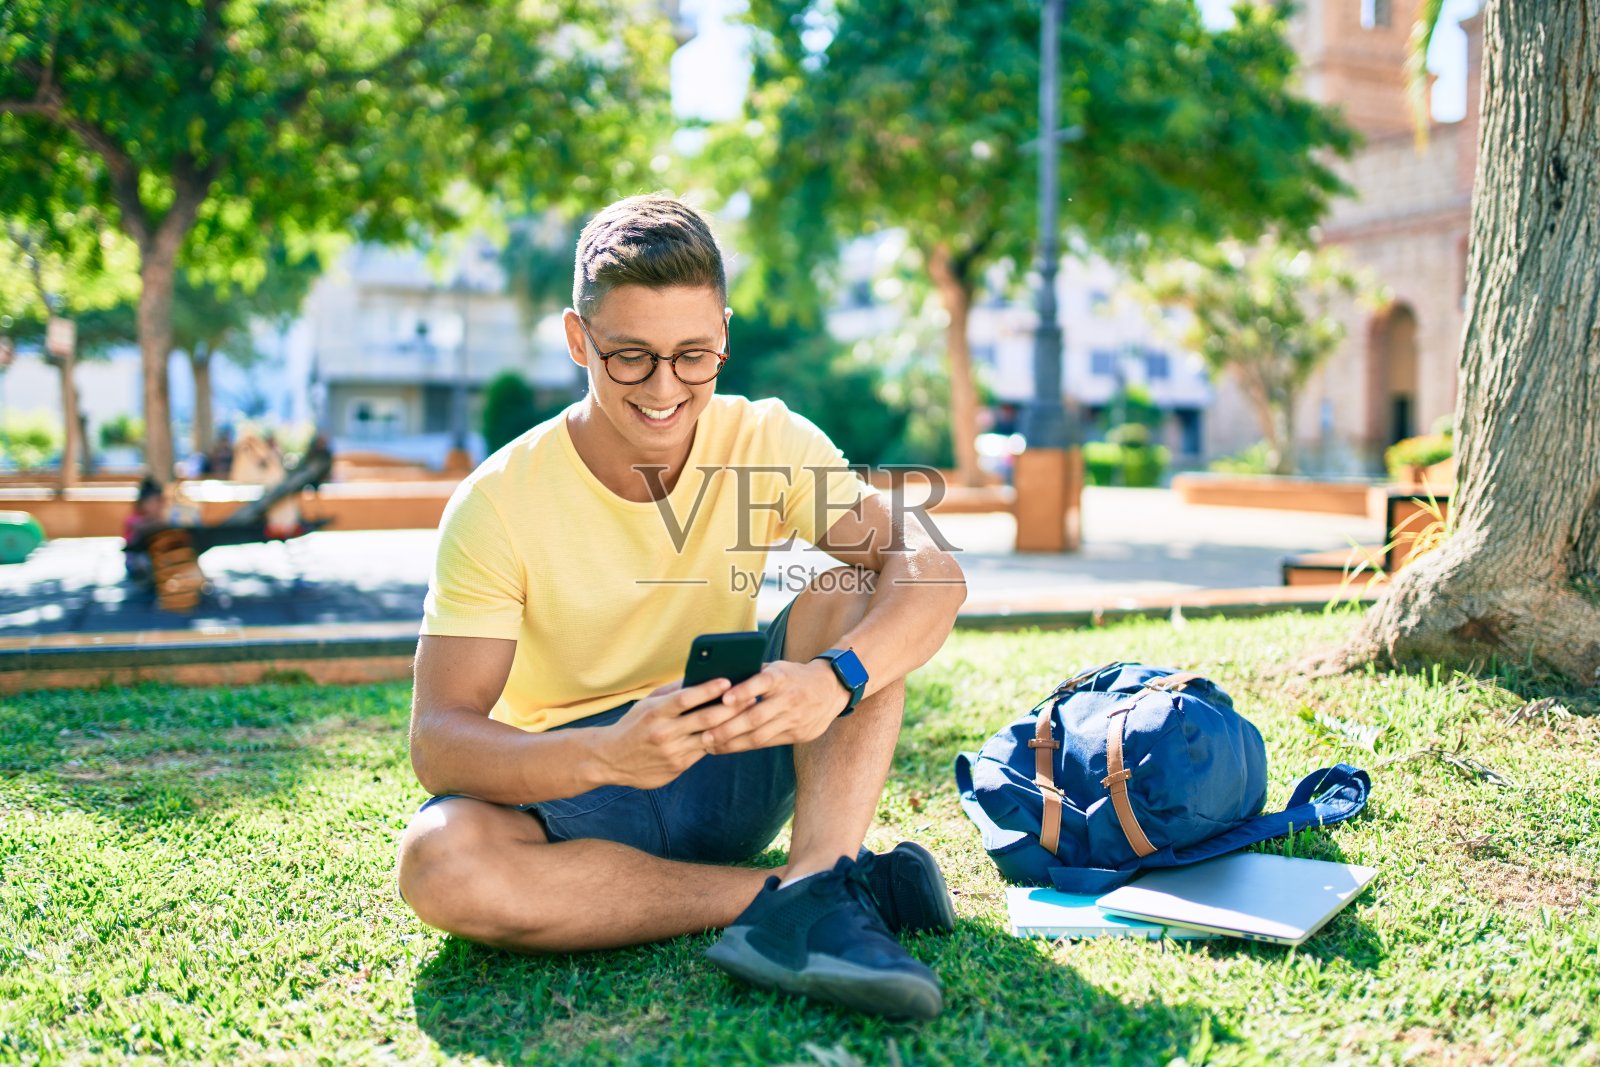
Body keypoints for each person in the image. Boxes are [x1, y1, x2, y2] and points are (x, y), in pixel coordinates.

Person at [395, 194, 967, 1021]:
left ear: (725, 337)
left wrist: (835, 679)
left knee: (854, 582)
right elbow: (439, 740)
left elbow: (931, 570)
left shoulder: (765, 441)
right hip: (576, 795)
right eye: (630, 356)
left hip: (734, 759)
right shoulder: (498, 501)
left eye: (693, 355)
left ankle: (818, 882)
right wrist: (607, 753)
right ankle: (818, 891)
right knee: (439, 862)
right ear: (577, 339)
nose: (665, 389)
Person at [122, 476, 166, 581]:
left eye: (161, 501)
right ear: (144, 504)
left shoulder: (159, 520)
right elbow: (140, 527)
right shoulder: (134, 520)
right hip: (137, 565)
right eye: (156, 501)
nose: (160, 505)